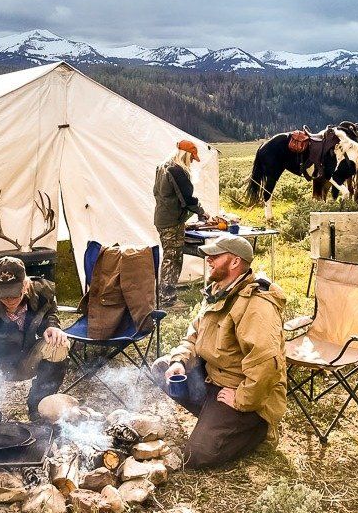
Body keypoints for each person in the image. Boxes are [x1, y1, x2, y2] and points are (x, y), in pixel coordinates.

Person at [150, 235, 286, 468]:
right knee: (163, 368)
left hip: (242, 389)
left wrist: (242, 398)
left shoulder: (256, 305)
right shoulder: (218, 291)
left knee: (197, 456)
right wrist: (180, 361)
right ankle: (215, 417)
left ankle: (256, 428)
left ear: (234, 262)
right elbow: (194, 336)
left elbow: (267, 364)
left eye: (215, 256)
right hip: (214, 378)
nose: (209, 259)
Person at [0, 257, 70, 421]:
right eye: (3, 295)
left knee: (59, 344)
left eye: (13, 294)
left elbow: (49, 314)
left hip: (27, 359)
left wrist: (52, 326)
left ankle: (38, 404)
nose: (8, 300)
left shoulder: (41, 292)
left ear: (25, 285)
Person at [154, 140, 209, 306]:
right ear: (186, 155)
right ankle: (167, 300)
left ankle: (164, 296)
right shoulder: (176, 170)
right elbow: (187, 198)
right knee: (172, 259)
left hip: (164, 218)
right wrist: (201, 212)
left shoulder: (163, 166)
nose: (192, 161)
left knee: (172, 257)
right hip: (171, 221)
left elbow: (158, 193)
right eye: (192, 157)